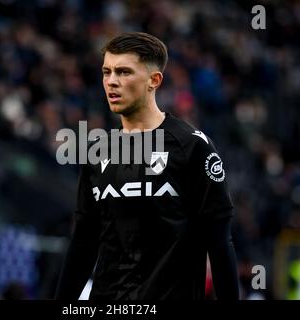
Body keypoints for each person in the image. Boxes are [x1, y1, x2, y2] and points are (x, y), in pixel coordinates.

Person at [55, 32, 239, 300]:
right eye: (107, 72)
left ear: (154, 80)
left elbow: (220, 244)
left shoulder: (192, 147)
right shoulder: (97, 152)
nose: (112, 82)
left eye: (124, 72)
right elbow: (83, 243)